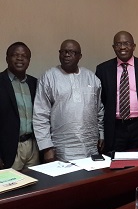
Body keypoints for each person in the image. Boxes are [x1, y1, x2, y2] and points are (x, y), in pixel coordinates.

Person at [33, 40, 104, 162]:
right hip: (62, 148)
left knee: (92, 179)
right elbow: (40, 115)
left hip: (91, 145)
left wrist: (101, 134)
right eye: (63, 51)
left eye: (71, 52)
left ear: (79, 56)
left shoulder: (91, 78)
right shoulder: (49, 77)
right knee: (69, 180)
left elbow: (99, 109)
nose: (66, 54)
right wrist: (47, 147)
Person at [96, 31, 138, 152]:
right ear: (113, 47)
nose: (122, 47)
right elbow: (100, 101)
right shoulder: (103, 69)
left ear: (133, 46)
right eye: (118, 44)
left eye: (126, 43)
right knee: (114, 163)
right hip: (114, 126)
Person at [0, 42, 39, 170]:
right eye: (15, 55)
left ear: (29, 60)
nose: (20, 58)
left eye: (24, 56)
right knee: (11, 188)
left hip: (33, 146)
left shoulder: (34, 83)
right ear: (7, 58)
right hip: (9, 148)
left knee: (36, 186)